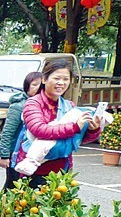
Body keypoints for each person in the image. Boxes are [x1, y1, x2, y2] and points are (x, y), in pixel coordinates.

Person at [14, 59, 102, 188]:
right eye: (57, 78)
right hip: (35, 172)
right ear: (44, 79)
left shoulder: (69, 106)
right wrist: (75, 126)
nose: (61, 83)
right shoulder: (33, 103)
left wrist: (93, 130)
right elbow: (39, 130)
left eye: (66, 79)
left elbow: (76, 139)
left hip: (62, 171)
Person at [0, 72, 43, 190]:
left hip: (34, 154)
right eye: (34, 84)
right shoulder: (18, 106)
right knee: (13, 187)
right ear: (26, 86)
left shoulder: (44, 105)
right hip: (16, 155)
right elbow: (8, 132)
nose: (38, 87)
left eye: (41, 84)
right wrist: (4, 155)